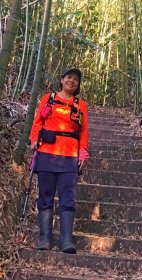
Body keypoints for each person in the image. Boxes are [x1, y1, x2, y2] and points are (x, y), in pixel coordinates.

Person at [30, 67, 89, 253]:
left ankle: (66, 240)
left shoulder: (81, 105)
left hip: (70, 156)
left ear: (78, 85)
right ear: (62, 79)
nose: (71, 81)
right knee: (45, 195)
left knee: (68, 198)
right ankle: (44, 238)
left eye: (76, 80)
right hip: (47, 153)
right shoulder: (49, 98)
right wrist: (33, 140)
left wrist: (83, 153)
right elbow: (37, 122)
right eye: (69, 77)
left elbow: (84, 131)